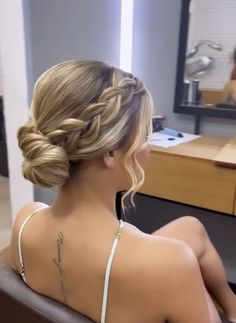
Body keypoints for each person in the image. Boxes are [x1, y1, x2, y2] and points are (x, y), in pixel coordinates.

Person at [10, 60, 236, 323]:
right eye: (143, 136)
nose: (147, 148)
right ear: (109, 152)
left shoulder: (26, 220)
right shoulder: (174, 265)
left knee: (191, 227)